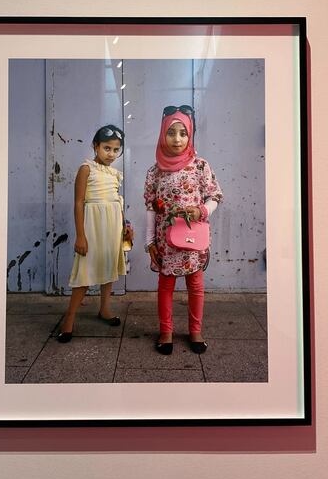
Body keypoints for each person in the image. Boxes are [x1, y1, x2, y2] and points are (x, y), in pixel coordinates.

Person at [143, 105, 223, 354]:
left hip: (193, 239)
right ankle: (166, 332)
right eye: (171, 132)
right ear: (162, 134)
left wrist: (203, 211)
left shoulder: (200, 166)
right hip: (165, 241)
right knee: (165, 285)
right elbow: (150, 209)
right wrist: (149, 243)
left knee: (196, 285)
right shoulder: (154, 171)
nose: (176, 139)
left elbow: (215, 196)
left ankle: (195, 331)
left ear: (190, 136)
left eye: (183, 133)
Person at [57, 125, 133, 342]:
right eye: (106, 148)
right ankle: (69, 319)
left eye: (115, 150)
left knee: (108, 266)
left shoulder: (114, 173)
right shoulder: (86, 169)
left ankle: (105, 309)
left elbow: (115, 201)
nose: (111, 154)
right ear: (95, 146)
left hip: (112, 225)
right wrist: (81, 235)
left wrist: (124, 225)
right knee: (85, 271)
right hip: (93, 226)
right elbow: (79, 203)